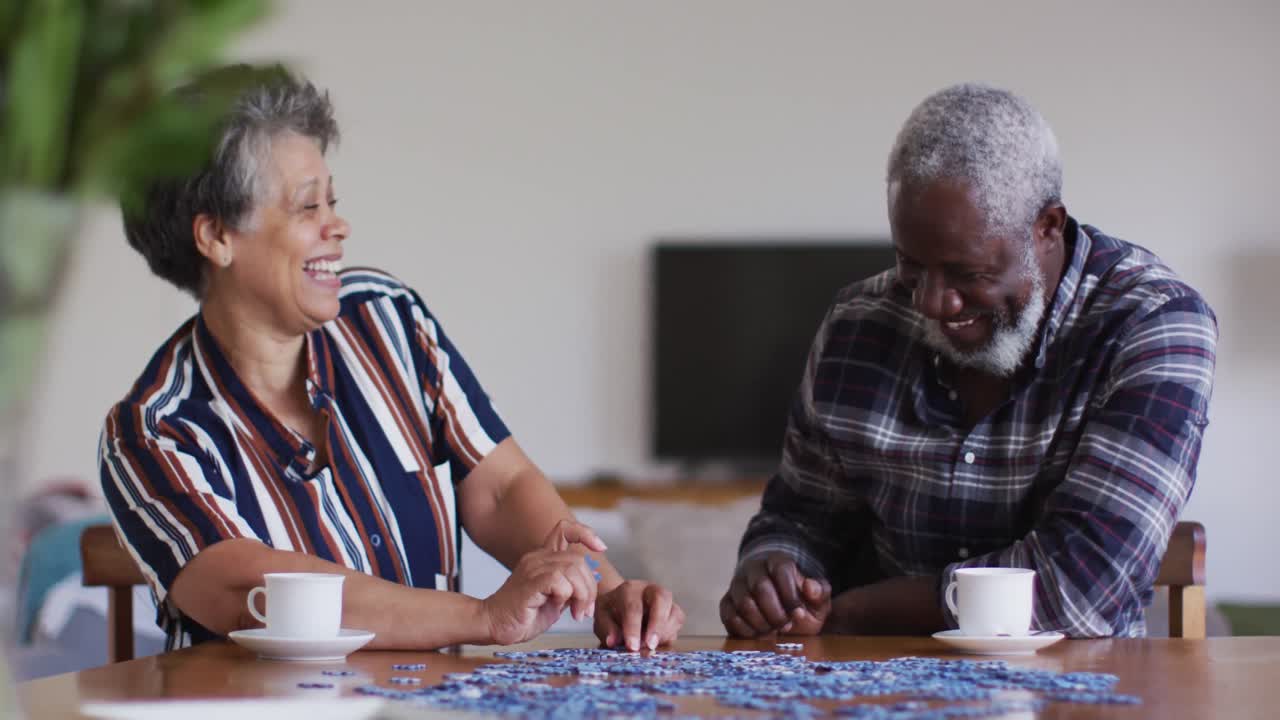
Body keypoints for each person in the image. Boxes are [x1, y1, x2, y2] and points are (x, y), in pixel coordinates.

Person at [100, 70, 683, 652]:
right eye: (308, 207)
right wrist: (485, 617)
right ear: (217, 237)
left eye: (333, 201)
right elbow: (244, 590)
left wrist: (602, 590)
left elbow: (501, 486)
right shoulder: (151, 432)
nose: (338, 226)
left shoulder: (388, 317)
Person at [720, 83, 1217, 639]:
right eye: (911, 265)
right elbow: (801, 515)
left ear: (1047, 228)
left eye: (968, 274)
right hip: (870, 688)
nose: (931, 303)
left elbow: (1081, 590)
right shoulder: (856, 323)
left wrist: (852, 612)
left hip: (1076, 689)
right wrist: (775, 571)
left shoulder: (1155, 325)